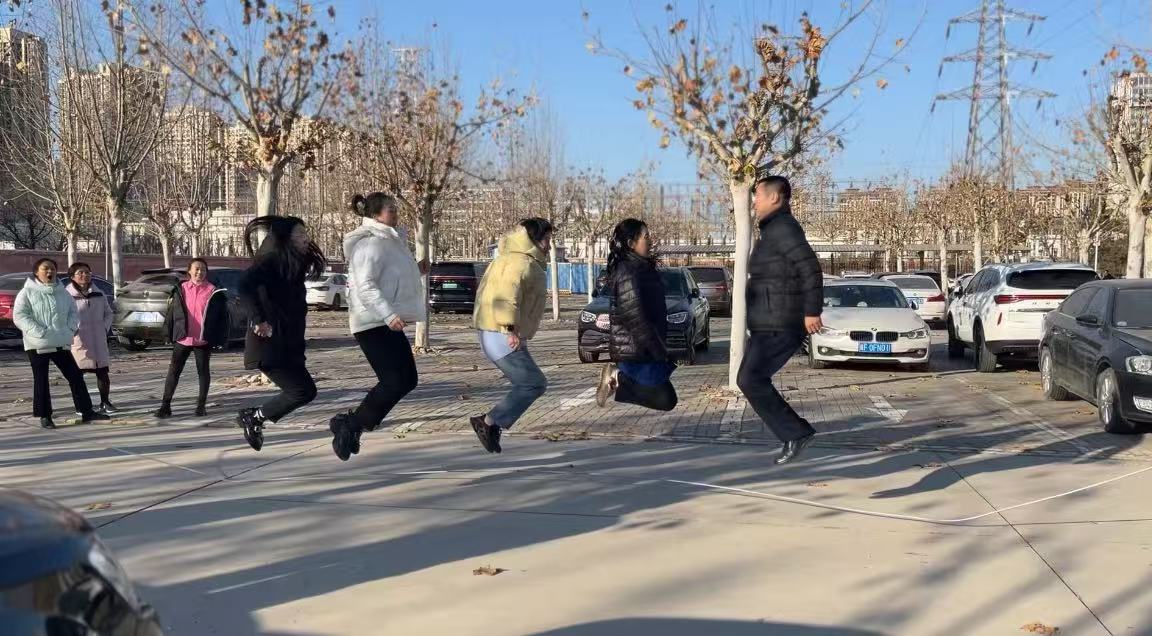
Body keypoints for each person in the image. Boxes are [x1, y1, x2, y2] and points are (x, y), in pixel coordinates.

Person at [328, 193, 428, 461]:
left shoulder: (391, 241)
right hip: (370, 321)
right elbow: (365, 285)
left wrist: (417, 269)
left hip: (385, 320)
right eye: (390, 209)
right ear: (376, 215)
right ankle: (351, 425)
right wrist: (388, 314)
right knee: (396, 380)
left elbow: (390, 277)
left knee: (407, 380)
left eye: (395, 208)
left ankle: (352, 424)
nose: (396, 213)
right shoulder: (369, 244)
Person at [737, 175, 823, 465]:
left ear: (774, 197)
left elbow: (810, 268)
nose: (754, 202)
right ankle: (794, 433)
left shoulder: (783, 228)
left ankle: (796, 433)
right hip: (768, 321)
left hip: (780, 322)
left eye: (758, 196)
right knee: (749, 379)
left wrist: (812, 311)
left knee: (750, 379)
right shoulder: (773, 229)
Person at [235, 216, 326, 451]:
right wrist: (258, 319)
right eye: (300, 235)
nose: (306, 239)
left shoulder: (290, 267)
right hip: (270, 344)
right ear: (286, 238)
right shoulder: (272, 260)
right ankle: (253, 417)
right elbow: (244, 285)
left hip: (288, 345)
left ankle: (254, 417)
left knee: (305, 391)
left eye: (306, 234)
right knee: (301, 391)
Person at [469, 217, 553, 453]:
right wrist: (509, 328)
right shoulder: (519, 262)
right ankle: (488, 422)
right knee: (533, 384)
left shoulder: (513, 258)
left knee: (532, 383)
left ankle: (490, 423)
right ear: (534, 240)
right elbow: (506, 296)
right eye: (546, 239)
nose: (549, 245)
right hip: (501, 333)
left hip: (498, 332)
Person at [13, 258, 109, 429]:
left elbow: (73, 313)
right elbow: (20, 316)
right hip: (38, 344)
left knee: (75, 376)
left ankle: (87, 411)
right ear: (36, 272)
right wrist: (40, 332)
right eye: (45, 269)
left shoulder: (62, 292)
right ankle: (45, 416)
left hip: (61, 342)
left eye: (53, 269)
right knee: (41, 381)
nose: (50, 272)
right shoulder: (27, 292)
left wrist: (70, 329)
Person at [594, 218, 678, 412]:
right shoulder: (627, 271)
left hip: (643, 347)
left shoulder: (642, 267)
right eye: (646, 237)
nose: (650, 240)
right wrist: (657, 350)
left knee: (666, 399)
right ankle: (617, 376)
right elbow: (634, 317)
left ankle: (617, 378)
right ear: (631, 243)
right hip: (635, 350)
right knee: (665, 399)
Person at [155, 258, 230, 419]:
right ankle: (165, 406)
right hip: (183, 338)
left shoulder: (213, 291)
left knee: (203, 372)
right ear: (189, 271)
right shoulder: (181, 289)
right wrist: (167, 333)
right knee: (173, 372)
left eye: (203, 269)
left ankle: (201, 406)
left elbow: (222, 318)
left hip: (203, 340)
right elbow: (172, 313)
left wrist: (221, 340)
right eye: (196, 269)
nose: (199, 272)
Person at [66, 262, 116, 414]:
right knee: (77, 375)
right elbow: (62, 316)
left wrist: (104, 327)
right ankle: (81, 406)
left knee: (102, 372)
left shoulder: (98, 293)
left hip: (98, 339)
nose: (85, 275)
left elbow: (108, 313)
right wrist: (73, 330)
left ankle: (105, 402)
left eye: (87, 272)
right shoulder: (67, 296)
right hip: (78, 339)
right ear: (72, 277)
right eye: (80, 273)